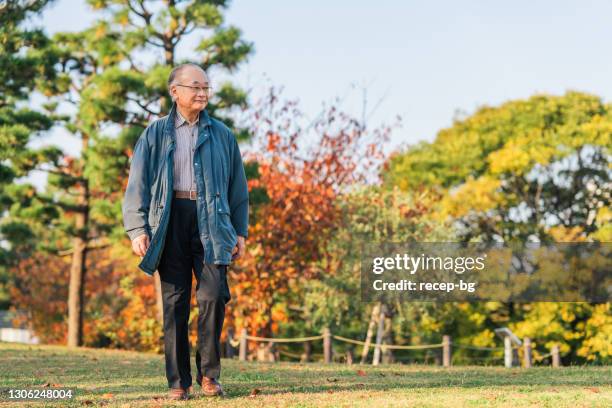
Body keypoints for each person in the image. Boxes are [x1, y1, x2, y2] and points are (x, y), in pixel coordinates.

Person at [122, 63, 249, 400]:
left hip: (213, 222)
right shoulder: (154, 134)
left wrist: (241, 232)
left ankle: (209, 375)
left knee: (213, 296)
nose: (202, 93)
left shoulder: (223, 135)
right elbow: (137, 186)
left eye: (206, 87)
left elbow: (238, 187)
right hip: (169, 220)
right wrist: (137, 229)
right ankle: (179, 383)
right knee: (175, 302)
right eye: (195, 86)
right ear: (175, 91)